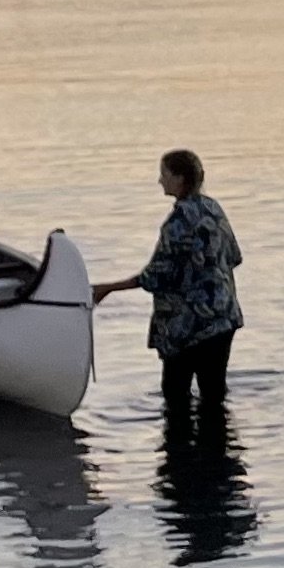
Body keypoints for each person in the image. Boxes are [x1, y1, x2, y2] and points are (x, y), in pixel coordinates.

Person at [95, 148, 243, 429]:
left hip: (187, 327)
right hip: (223, 318)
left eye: (164, 174)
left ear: (179, 178)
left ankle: (180, 466)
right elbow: (235, 257)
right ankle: (219, 460)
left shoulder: (178, 222)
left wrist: (108, 288)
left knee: (176, 398)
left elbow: (155, 276)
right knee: (214, 396)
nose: (159, 181)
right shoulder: (213, 208)